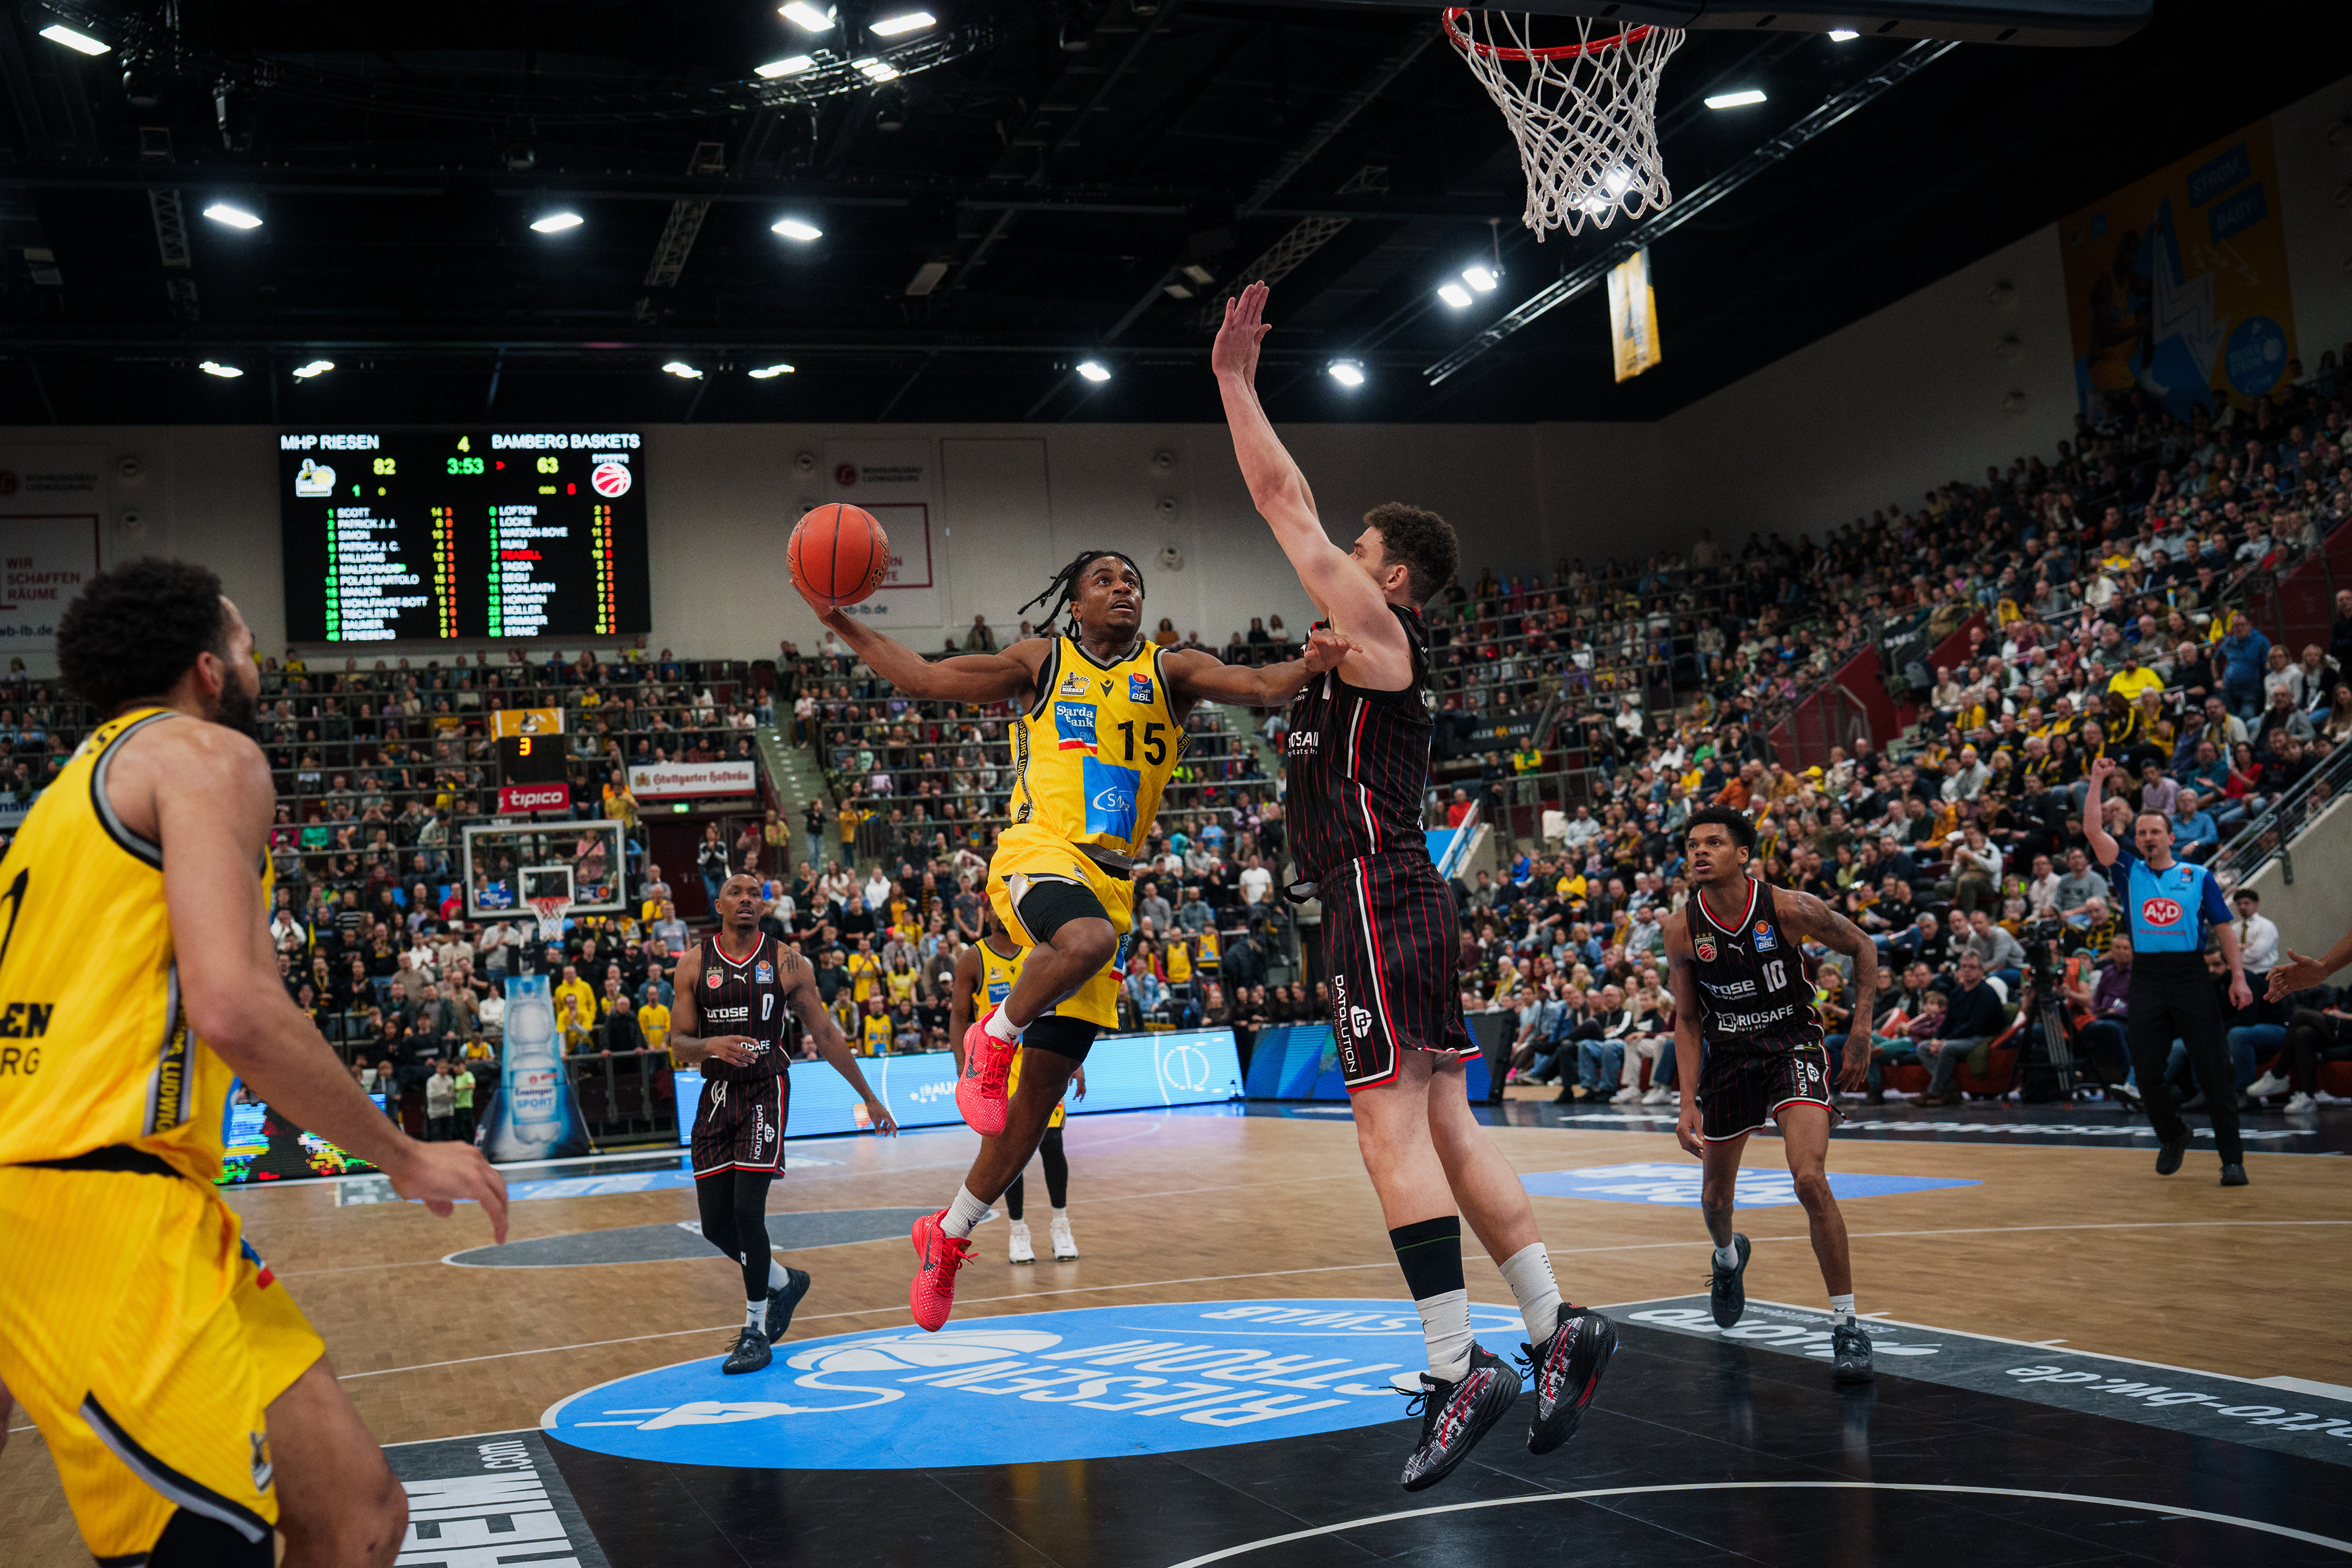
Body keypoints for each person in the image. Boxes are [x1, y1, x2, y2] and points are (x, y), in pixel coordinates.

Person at [0, 559, 509, 1567]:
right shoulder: (205, 754)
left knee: (358, 1517)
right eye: (243, 643)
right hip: (92, 1205)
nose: (256, 664)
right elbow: (235, 1006)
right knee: (212, 1549)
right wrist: (403, 1153)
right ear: (207, 669)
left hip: (133, 1200)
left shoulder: (59, 807)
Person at [1215, 280, 1615, 1490]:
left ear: (1391, 578)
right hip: (1402, 897)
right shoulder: (1358, 655)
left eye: (1359, 554)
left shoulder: (1384, 634)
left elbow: (1284, 503)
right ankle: (1557, 1327)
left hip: (1378, 897)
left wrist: (1233, 382)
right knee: (1446, 1121)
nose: (1337, 561)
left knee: (1385, 1126)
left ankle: (1457, 1365)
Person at [794, 543, 1345, 1335]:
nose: (1123, 589)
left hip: (1112, 881)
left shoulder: (1172, 670)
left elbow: (1262, 685)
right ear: (1074, 604)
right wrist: (838, 619)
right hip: (1040, 853)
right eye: (1104, 580)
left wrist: (1312, 664)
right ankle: (994, 1036)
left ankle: (947, 1234)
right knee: (1084, 940)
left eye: (1133, 581)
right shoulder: (1042, 661)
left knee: (1035, 1110)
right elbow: (923, 679)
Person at [1665, 805, 1880, 1384]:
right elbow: (1688, 1019)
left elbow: (1863, 946)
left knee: (1809, 1178)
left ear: (1743, 855)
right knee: (1715, 1200)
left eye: (1714, 842)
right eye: (1692, 845)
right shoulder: (1681, 929)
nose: (1700, 851)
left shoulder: (1788, 908)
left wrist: (1860, 1031)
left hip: (1792, 1045)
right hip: (1730, 1056)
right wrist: (1686, 1103)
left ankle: (1847, 1325)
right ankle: (1727, 1258)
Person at [669, 872, 899, 1375]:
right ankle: (784, 1282)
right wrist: (711, 1045)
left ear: (764, 906)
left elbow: (826, 1033)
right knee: (715, 1226)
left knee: (747, 1211)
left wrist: (870, 1098)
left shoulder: (789, 962)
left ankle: (754, 1331)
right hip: (717, 1094)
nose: (746, 899)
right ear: (719, 905)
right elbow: (678, 1043)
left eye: (755, 893)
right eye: (736, 893)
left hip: (766, 1091)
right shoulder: (693, 964)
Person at [2082, 758, 2252, 1185]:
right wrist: (2098, 780)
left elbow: (2224, 929)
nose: (2147, 838)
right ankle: (2173, 1134)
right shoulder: (2128, 870)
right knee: (2145, 1072)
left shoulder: (2198, 875)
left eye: (2155, 832)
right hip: (2148, 978)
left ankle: (2232, 1159)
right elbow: (2093, 831)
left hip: (2191, 975)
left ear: (2171, 837)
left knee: (2214, 1070)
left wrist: (2238, 976)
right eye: (2141, 832)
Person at [952, 911, 1087, 1264]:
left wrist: (1075, 1061)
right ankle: (1017, 1230)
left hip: (1041, 1057)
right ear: (987, 912)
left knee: (1053, 1144)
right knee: (1008, 1152)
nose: (1001, 916)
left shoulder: (1040, 948)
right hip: (997, 1067)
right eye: (994, 910)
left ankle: (1061, 1225)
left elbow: (1066, 1007)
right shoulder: (973, 958)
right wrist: (964, 1067)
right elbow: (959, 1017)